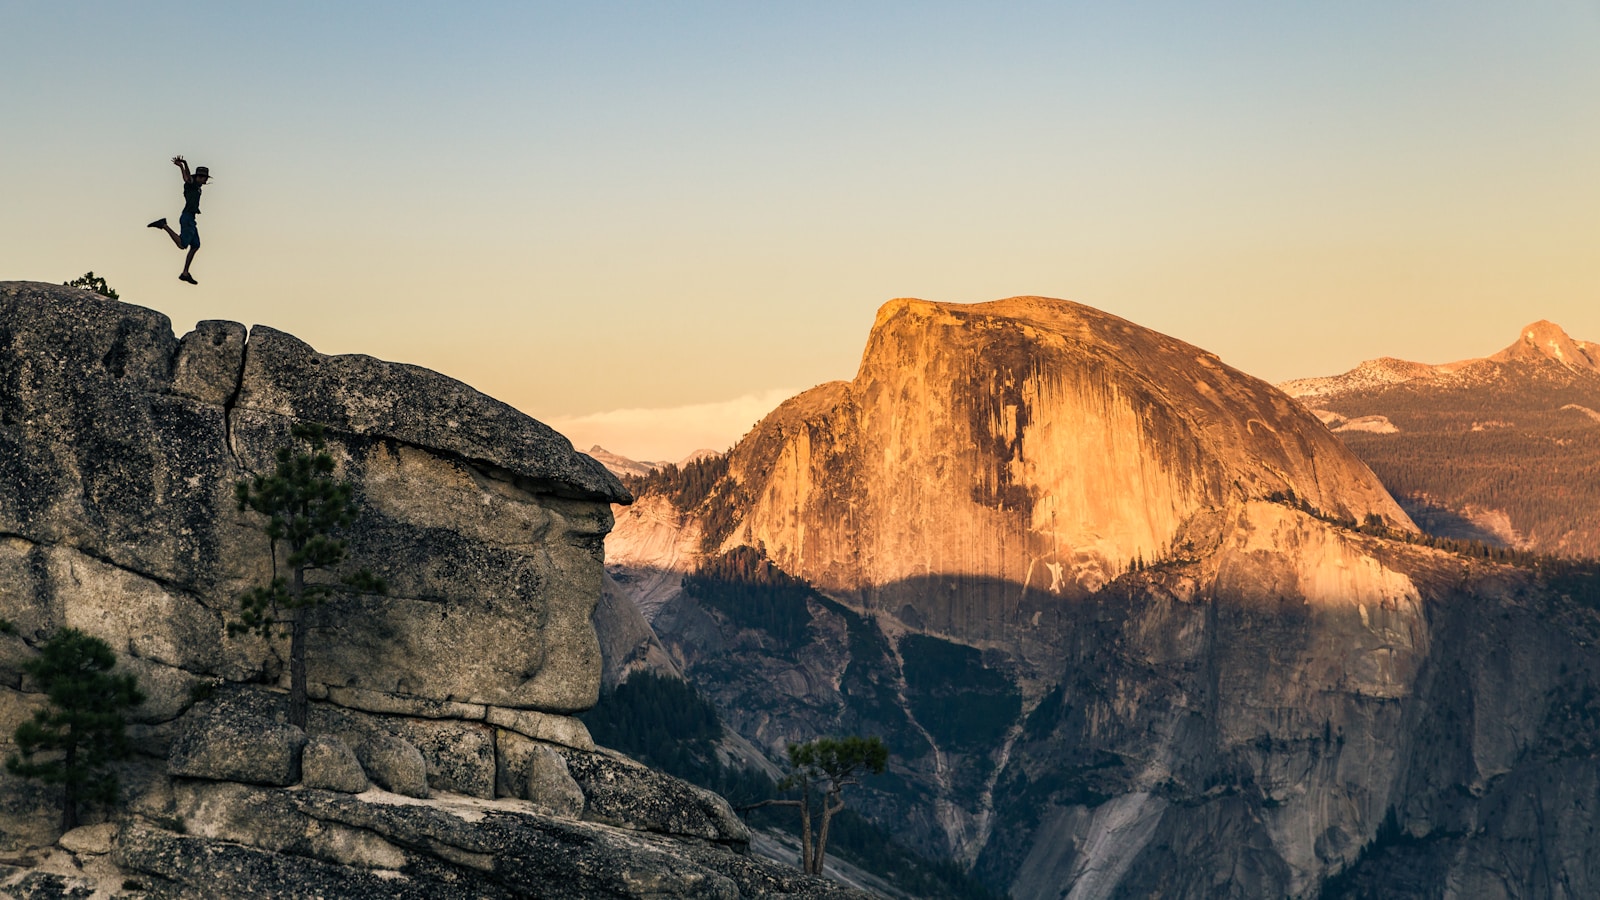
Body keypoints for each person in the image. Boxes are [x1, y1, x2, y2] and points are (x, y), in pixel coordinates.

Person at [148, 156, 211, 284]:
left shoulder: (198, 187)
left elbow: (190, 178)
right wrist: (183, 165)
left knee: (196, 245)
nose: (205, 179)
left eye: (205, 177)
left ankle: (185, 273)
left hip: (191, 219)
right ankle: (163, 225)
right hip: (187, 217)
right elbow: (187, 178)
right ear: (198, 177)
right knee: (182, 245)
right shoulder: (191, 185)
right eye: (203, 177)